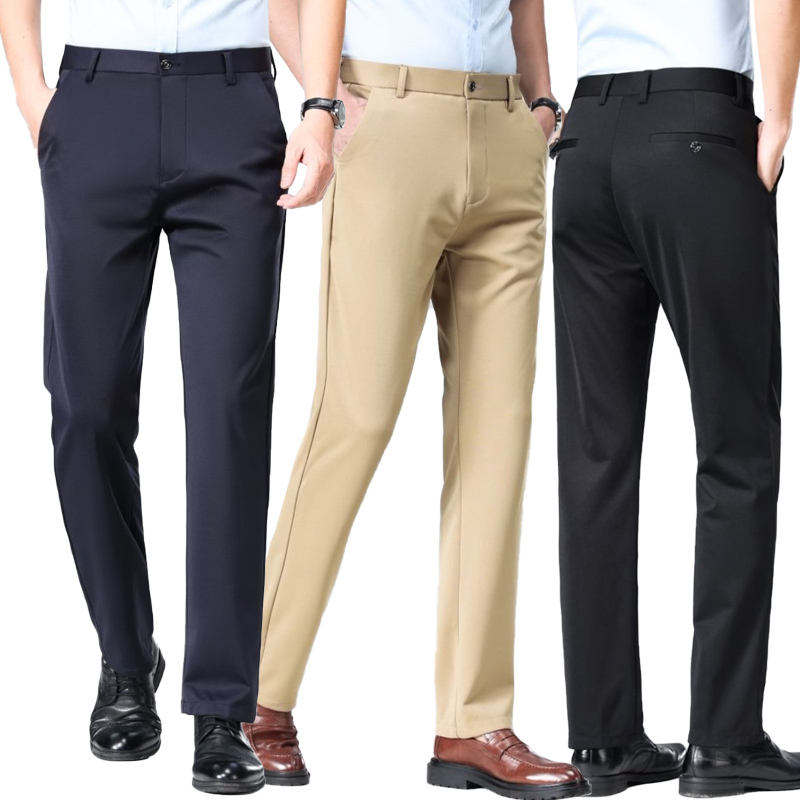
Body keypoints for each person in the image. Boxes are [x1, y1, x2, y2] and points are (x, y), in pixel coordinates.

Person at [241, 3, 589, 799]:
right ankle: (255, 693)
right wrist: (325, 102)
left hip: (505, 128)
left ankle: (474, 721)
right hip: (387, 120)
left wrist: (540, 99)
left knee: (498, 437)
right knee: (355, 417)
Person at [0, 0, 344, 792]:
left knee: (229, 413)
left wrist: (320, 105)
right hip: (95, 103)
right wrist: (33, 96)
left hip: (232, 106)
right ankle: (126, 658)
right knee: (85, 408)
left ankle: (222, 706)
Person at [553, 0, 800, 796]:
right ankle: (725, 741)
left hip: (586, 138)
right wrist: (777, 120)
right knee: (738, 444)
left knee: (593, 456)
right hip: (698, 127)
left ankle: (602, 741)